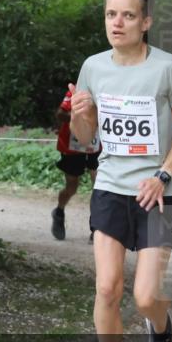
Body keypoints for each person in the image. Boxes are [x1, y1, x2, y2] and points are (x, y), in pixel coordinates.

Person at [69, 0, 172, 342]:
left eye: (127, 15)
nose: (117, 22)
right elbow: (84, 138)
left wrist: (161, 174)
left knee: (144, 297)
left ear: (146, 22)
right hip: (111, 187)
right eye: (110, 14)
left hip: (162, 192)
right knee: (106, 288)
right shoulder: (92, 67)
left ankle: (160, 330)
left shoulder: (166, 67)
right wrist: (81, 116)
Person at [51, 87, 101, 243]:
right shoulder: (77, 90)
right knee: (72, 187)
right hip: (73, 146)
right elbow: (60, 114)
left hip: (95, 146)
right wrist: (80, 118)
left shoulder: (106, 91)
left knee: (98, 185)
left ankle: (96, 228)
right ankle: (59, 212)